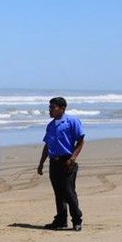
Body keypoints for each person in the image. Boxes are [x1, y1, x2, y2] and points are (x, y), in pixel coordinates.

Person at [37, 97, 85, 231]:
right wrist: (41, 163)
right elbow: (47, 145)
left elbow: (80, 141)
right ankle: (61, 220)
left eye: (53, 107)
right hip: (54, 162)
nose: (50, 110)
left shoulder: (72, 121)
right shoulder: (51, 125)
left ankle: (77, 220)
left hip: (67, 161)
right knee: (58, 193)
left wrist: (73, 158)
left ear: (62, 108)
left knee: (69, 192)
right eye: (49, 107)